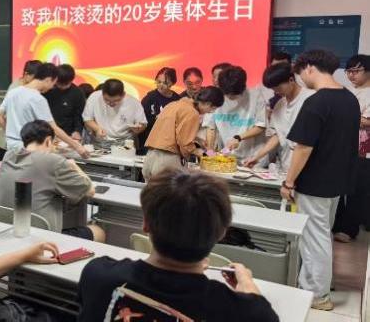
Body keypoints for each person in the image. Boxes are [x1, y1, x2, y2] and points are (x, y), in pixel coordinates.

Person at [78, 168, 278, 322]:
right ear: (221, 233)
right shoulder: (247, 313)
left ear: (145, 224)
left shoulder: (97, 275)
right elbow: (259, 312)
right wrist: (248, 284)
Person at [282, 50, 360, 310]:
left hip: (314, 182)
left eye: (300, 73)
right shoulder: (349, 98)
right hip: (336, 181)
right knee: (322, 235)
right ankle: (317, 285)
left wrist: (289, 182)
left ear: (309, 67)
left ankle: (317, 294)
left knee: (314, 239)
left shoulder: (316, 102)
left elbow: (303, 147)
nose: (301, 79)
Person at [0, 120, 105, 241]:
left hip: (7, 231)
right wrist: (74, 166)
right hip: (42, 238)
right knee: (98, 231)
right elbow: (90, 191)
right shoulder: (53, 161)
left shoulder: (9, 156)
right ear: (48, 140)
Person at [0, 63, 88, 158]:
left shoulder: (13, 92)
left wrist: (10, 132)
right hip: (29, 149)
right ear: (48, 80)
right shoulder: (38, 99)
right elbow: (54, 128)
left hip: (11, 146)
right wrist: (76, 146)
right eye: (53, 84)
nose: (52, 88)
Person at [143, 87, 224, 180]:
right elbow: (185, 143)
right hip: (167, 161)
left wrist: (197, 139)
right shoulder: (192, 112)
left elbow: (171, 132)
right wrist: (204, 154)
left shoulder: (172, 105)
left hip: (150, 157)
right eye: (213, 109)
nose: (211, 112)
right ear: (208, 104)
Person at [244, 63, 314, 172]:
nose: (276, 91)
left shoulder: (311, 99)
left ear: (291, 80)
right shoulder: (279, 105)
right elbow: (277, 135)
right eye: (273, 89)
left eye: (278, 87)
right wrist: (257, 157)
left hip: (308, 166)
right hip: (286, 165)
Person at [332, 54, 370, 243]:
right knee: (338, 188)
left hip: (364, 151)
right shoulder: (349, 92)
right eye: (348, 71)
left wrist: (347, 115)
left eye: (356, 71)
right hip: (344, 147)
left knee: (357, 191)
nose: (351, 75)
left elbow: (367, 122)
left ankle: (349, 229)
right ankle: (337, 224)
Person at [205, 66, 266, 164]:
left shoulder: (255, 97)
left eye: (233, 94)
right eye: (227, 94)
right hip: (226, 154)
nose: (229, 97)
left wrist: (238, 138)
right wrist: (210, 152)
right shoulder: (216, 97)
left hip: (252, 156)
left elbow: (260, 126)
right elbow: (211, 127)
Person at [0, 60, 42, 160]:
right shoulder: (16, 89)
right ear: (26, 74)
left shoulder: (27, 88)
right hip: (7, 143)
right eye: (35, 78)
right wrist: (11, 132)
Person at [43, 64, 86, 141]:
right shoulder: (48, 89)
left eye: (65, 84)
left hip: (68, 134)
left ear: (71, 80)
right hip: (47, 131)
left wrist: (77, 131)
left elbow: (79, 115)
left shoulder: (78, 93)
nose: (61, 86)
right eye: (59, 83)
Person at [140, 68, 181, 147]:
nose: (161, 85)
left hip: (170, 142)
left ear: (173, 83)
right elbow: (142, 122)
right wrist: (156, 119)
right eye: (158, 82)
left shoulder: (177, 100)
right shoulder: (149, 98)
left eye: (165, 83)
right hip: (150, 141)